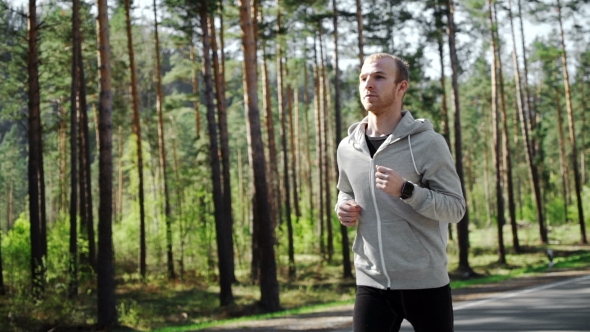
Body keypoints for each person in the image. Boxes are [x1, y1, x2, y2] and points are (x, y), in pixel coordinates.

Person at [335, 53, 466, 332]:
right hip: (371, 283)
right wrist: (343, 207)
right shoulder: (348, 147)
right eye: (363, 78)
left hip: (425, 282)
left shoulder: (428, 143)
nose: (368, 84)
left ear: (401, 87)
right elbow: (345, 190)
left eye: (379, 77)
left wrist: (407, 190)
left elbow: (455, 208)